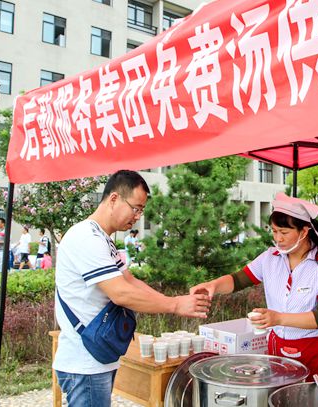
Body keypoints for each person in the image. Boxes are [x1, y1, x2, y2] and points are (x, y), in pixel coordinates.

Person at [54, 170, 211, 407]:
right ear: (114, 198)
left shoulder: (103, 239)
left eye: (141, 210)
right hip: (84, 362)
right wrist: (175, 305)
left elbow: (130, 281)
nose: (137, 216)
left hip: (96, 356)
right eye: (135, 208)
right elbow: (120, 292)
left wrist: (175, 300)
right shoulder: (86, 237)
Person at [190, 192, 318, 381]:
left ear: (304, 232)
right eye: (274, 231)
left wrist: (278, 318)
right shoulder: (270, 258)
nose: (278, 238)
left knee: (317, 395)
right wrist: (213, 285)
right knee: (281, 395)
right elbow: (238, 280)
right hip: (278, 348)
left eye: (284, 232)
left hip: (314, 350)